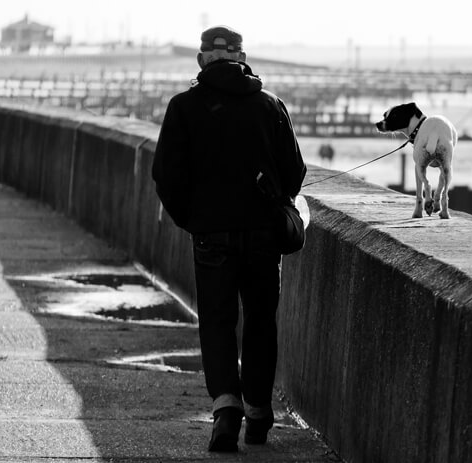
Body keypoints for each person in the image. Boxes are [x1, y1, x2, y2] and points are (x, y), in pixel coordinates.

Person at [151, 25, 306, 452]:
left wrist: (194, 219)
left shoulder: (183, 107)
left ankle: (226, 410)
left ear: (202, 60)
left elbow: (165, 175)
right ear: (242, 57)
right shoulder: (270, 106)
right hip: (262, 235)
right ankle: (257, 412)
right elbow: (294, 173)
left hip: (211, 235)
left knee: (217, 322)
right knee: (259, 320)